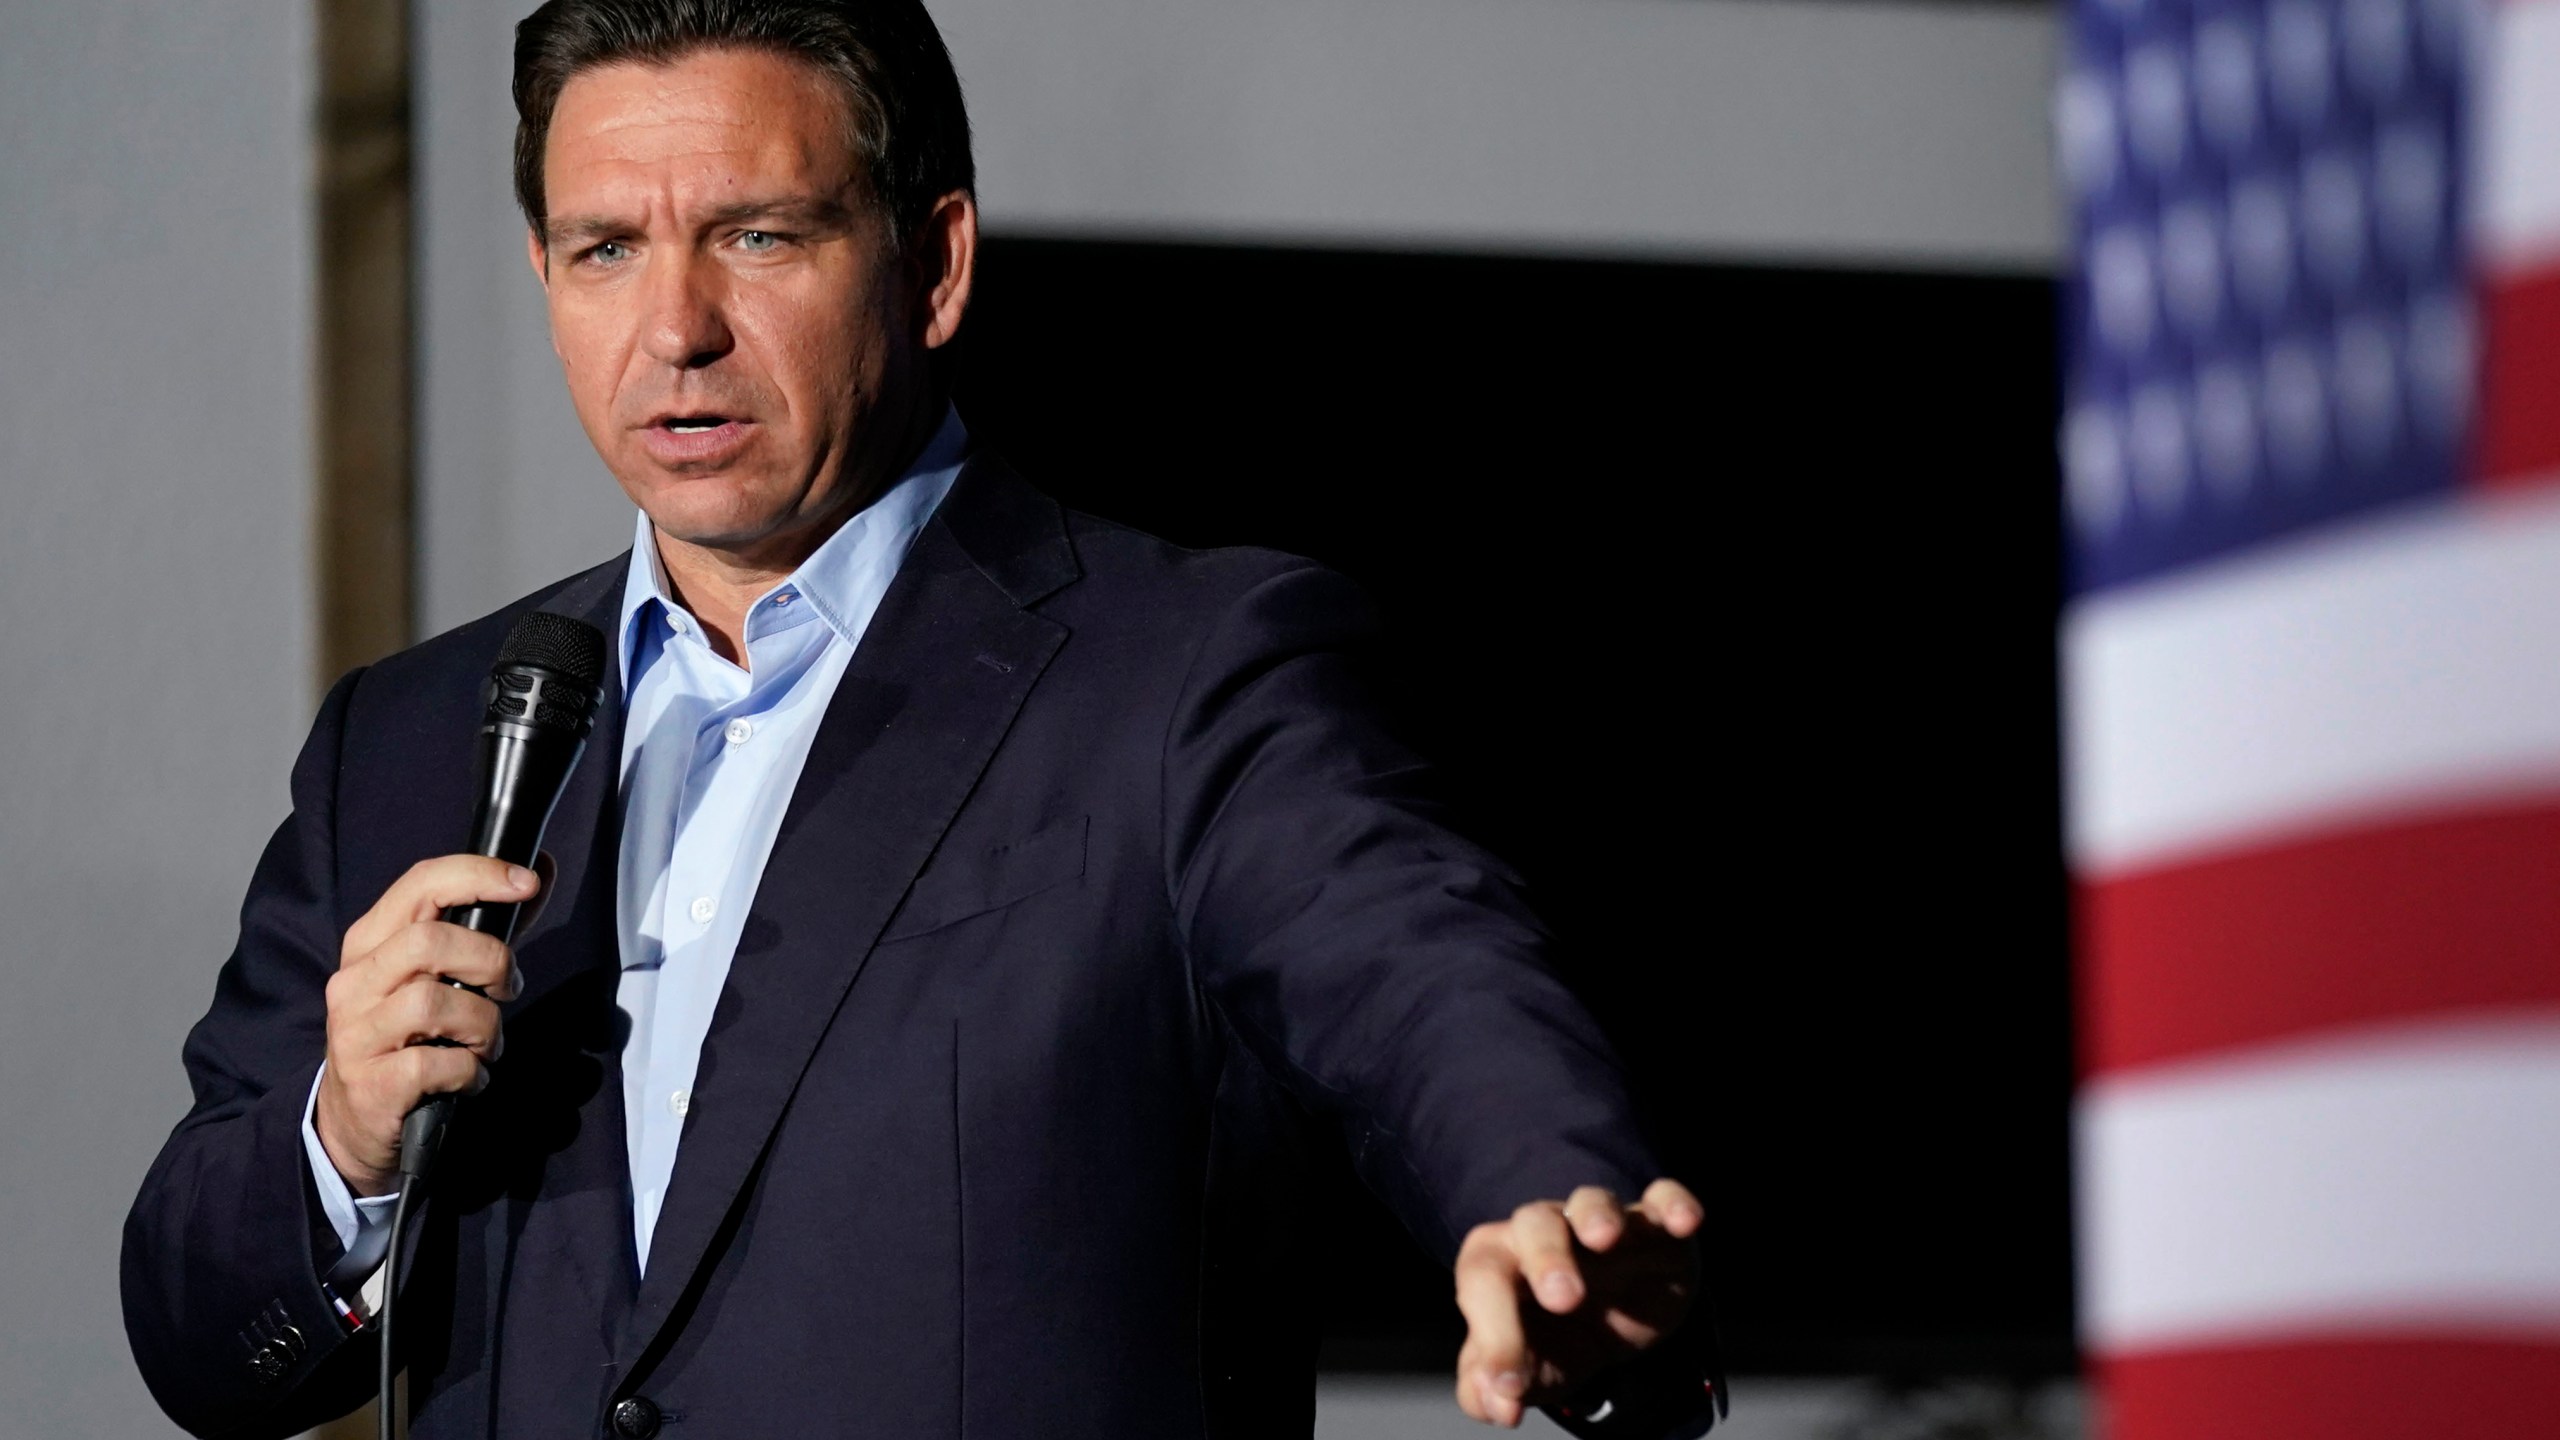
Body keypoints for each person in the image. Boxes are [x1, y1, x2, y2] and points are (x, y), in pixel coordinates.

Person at [120, 3, 1719, 1436]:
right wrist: (343, 1141)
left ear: (934, 265)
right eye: (605, 248)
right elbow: (200, 1344)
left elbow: (1416, 974)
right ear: (543, 276)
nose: (675, 327)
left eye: (757, 237)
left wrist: (1548, 1195)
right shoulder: (414, 738)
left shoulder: (1180, 673)